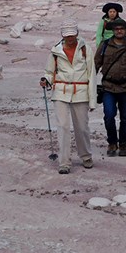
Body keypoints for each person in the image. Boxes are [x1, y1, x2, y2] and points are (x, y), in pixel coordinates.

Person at [40, 19, 97, 173]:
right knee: (63, 127)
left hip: (80, 92)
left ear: (77, 33)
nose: (70, 38)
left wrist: (93, 100)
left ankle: (85, 156)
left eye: (72, 35)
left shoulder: (86, 49)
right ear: (62, 35)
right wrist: (46, 80)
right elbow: (49, 71)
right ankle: (64, 162)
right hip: (61, 92)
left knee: (82, 127)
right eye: (67, 36)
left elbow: (92, 74)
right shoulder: (55, 51)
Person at [94, 17, 126, 157]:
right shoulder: (104, 45)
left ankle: (123, 144)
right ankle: (112, 142)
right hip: (108, 88)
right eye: (116, 29)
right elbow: (95, 65)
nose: (119, 31)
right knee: (109, 116)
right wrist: (88, 84)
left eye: (121, 28)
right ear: (112, 31)